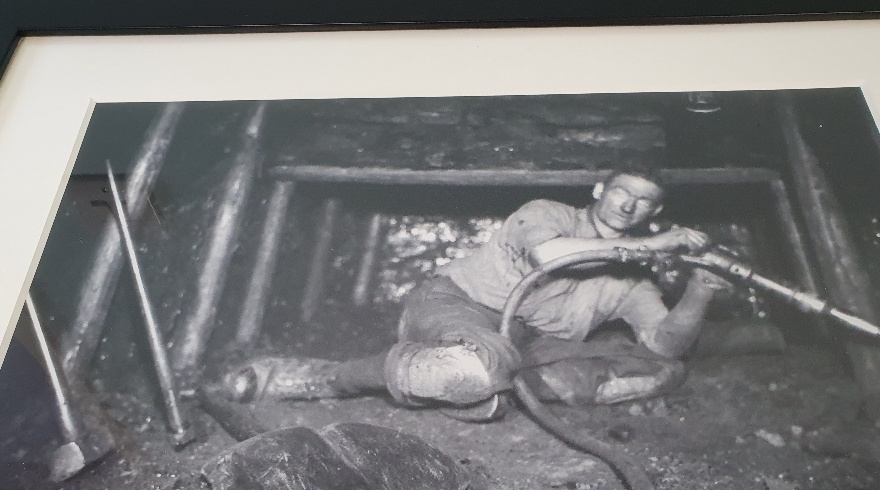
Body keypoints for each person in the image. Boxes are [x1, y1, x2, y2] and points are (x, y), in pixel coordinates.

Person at [216, 167, 779, 421]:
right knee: (471, 366)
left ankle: (481, 392)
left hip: (525, 342)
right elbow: (549, 257)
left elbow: (664, 343)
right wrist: (659, 244)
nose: (628, 207)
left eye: (644, 202)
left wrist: (701, 291)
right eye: (622, 193)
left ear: (654, 210)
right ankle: (321, 379)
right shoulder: (547, 214)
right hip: (455, 305)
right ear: (600, 190)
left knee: (663, 372)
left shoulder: (632, 278)